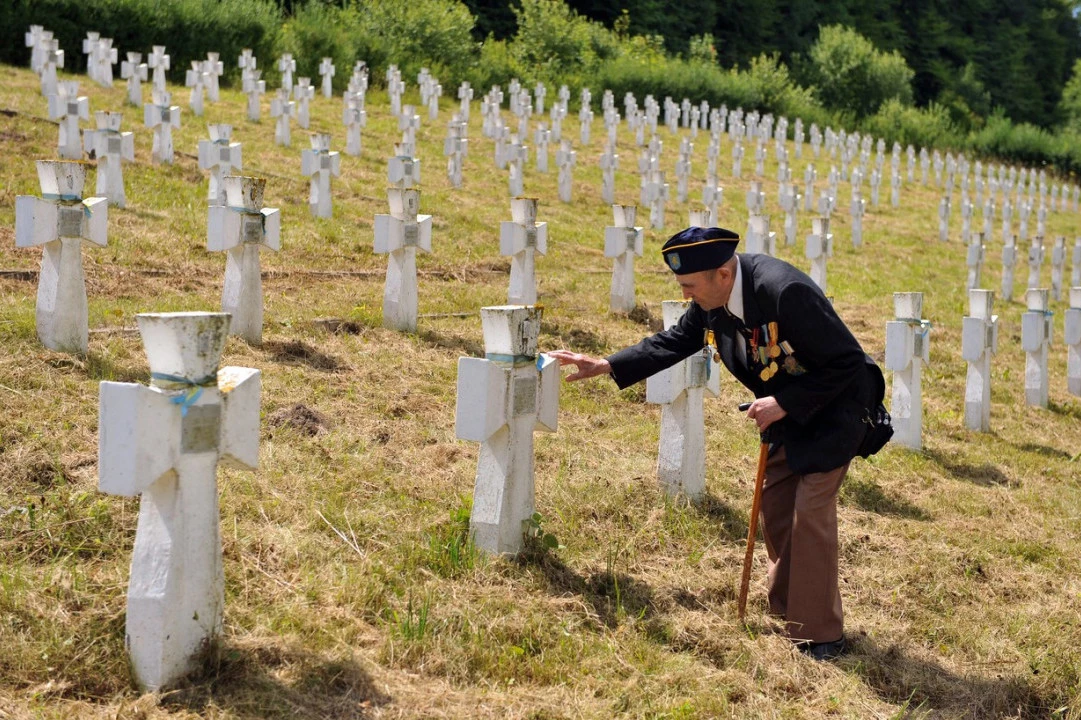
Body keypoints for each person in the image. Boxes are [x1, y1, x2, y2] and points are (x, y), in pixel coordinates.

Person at [548, 226, 884, 661]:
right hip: (787, 414)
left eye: (690, 285)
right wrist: (606, 364)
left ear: (723, 274)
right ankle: (790, 609)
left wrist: (784, 402)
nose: (685, 294)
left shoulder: (785, 292)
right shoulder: (713, 302)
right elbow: (675, 340)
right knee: (777, 507)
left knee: (810, 514)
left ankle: (820, 635)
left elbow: (847, 362)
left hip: (836, 408)